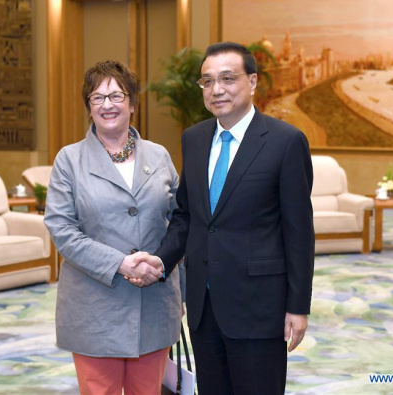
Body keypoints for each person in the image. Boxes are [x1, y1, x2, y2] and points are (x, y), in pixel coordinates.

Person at [131, 42, 315, 394]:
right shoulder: (194, 139)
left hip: (259, 306)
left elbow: (299, 232)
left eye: (228, 78)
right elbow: (187, 215)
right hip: (203, 306)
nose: (217, 89)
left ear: (253, 81)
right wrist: (160, 259)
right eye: (207, 81)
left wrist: (297, 306)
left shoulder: (285, 142)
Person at [44, 60, 181, 395]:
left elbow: (181, 220)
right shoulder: (69, 160)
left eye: (117, 96)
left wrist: (162, 264)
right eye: (97, 98)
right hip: (95, 308)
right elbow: (62, 229)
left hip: (155, 301)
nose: (108, 105)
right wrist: (119, 264)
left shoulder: (160, 156)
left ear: (132, 104)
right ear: (89, 108)